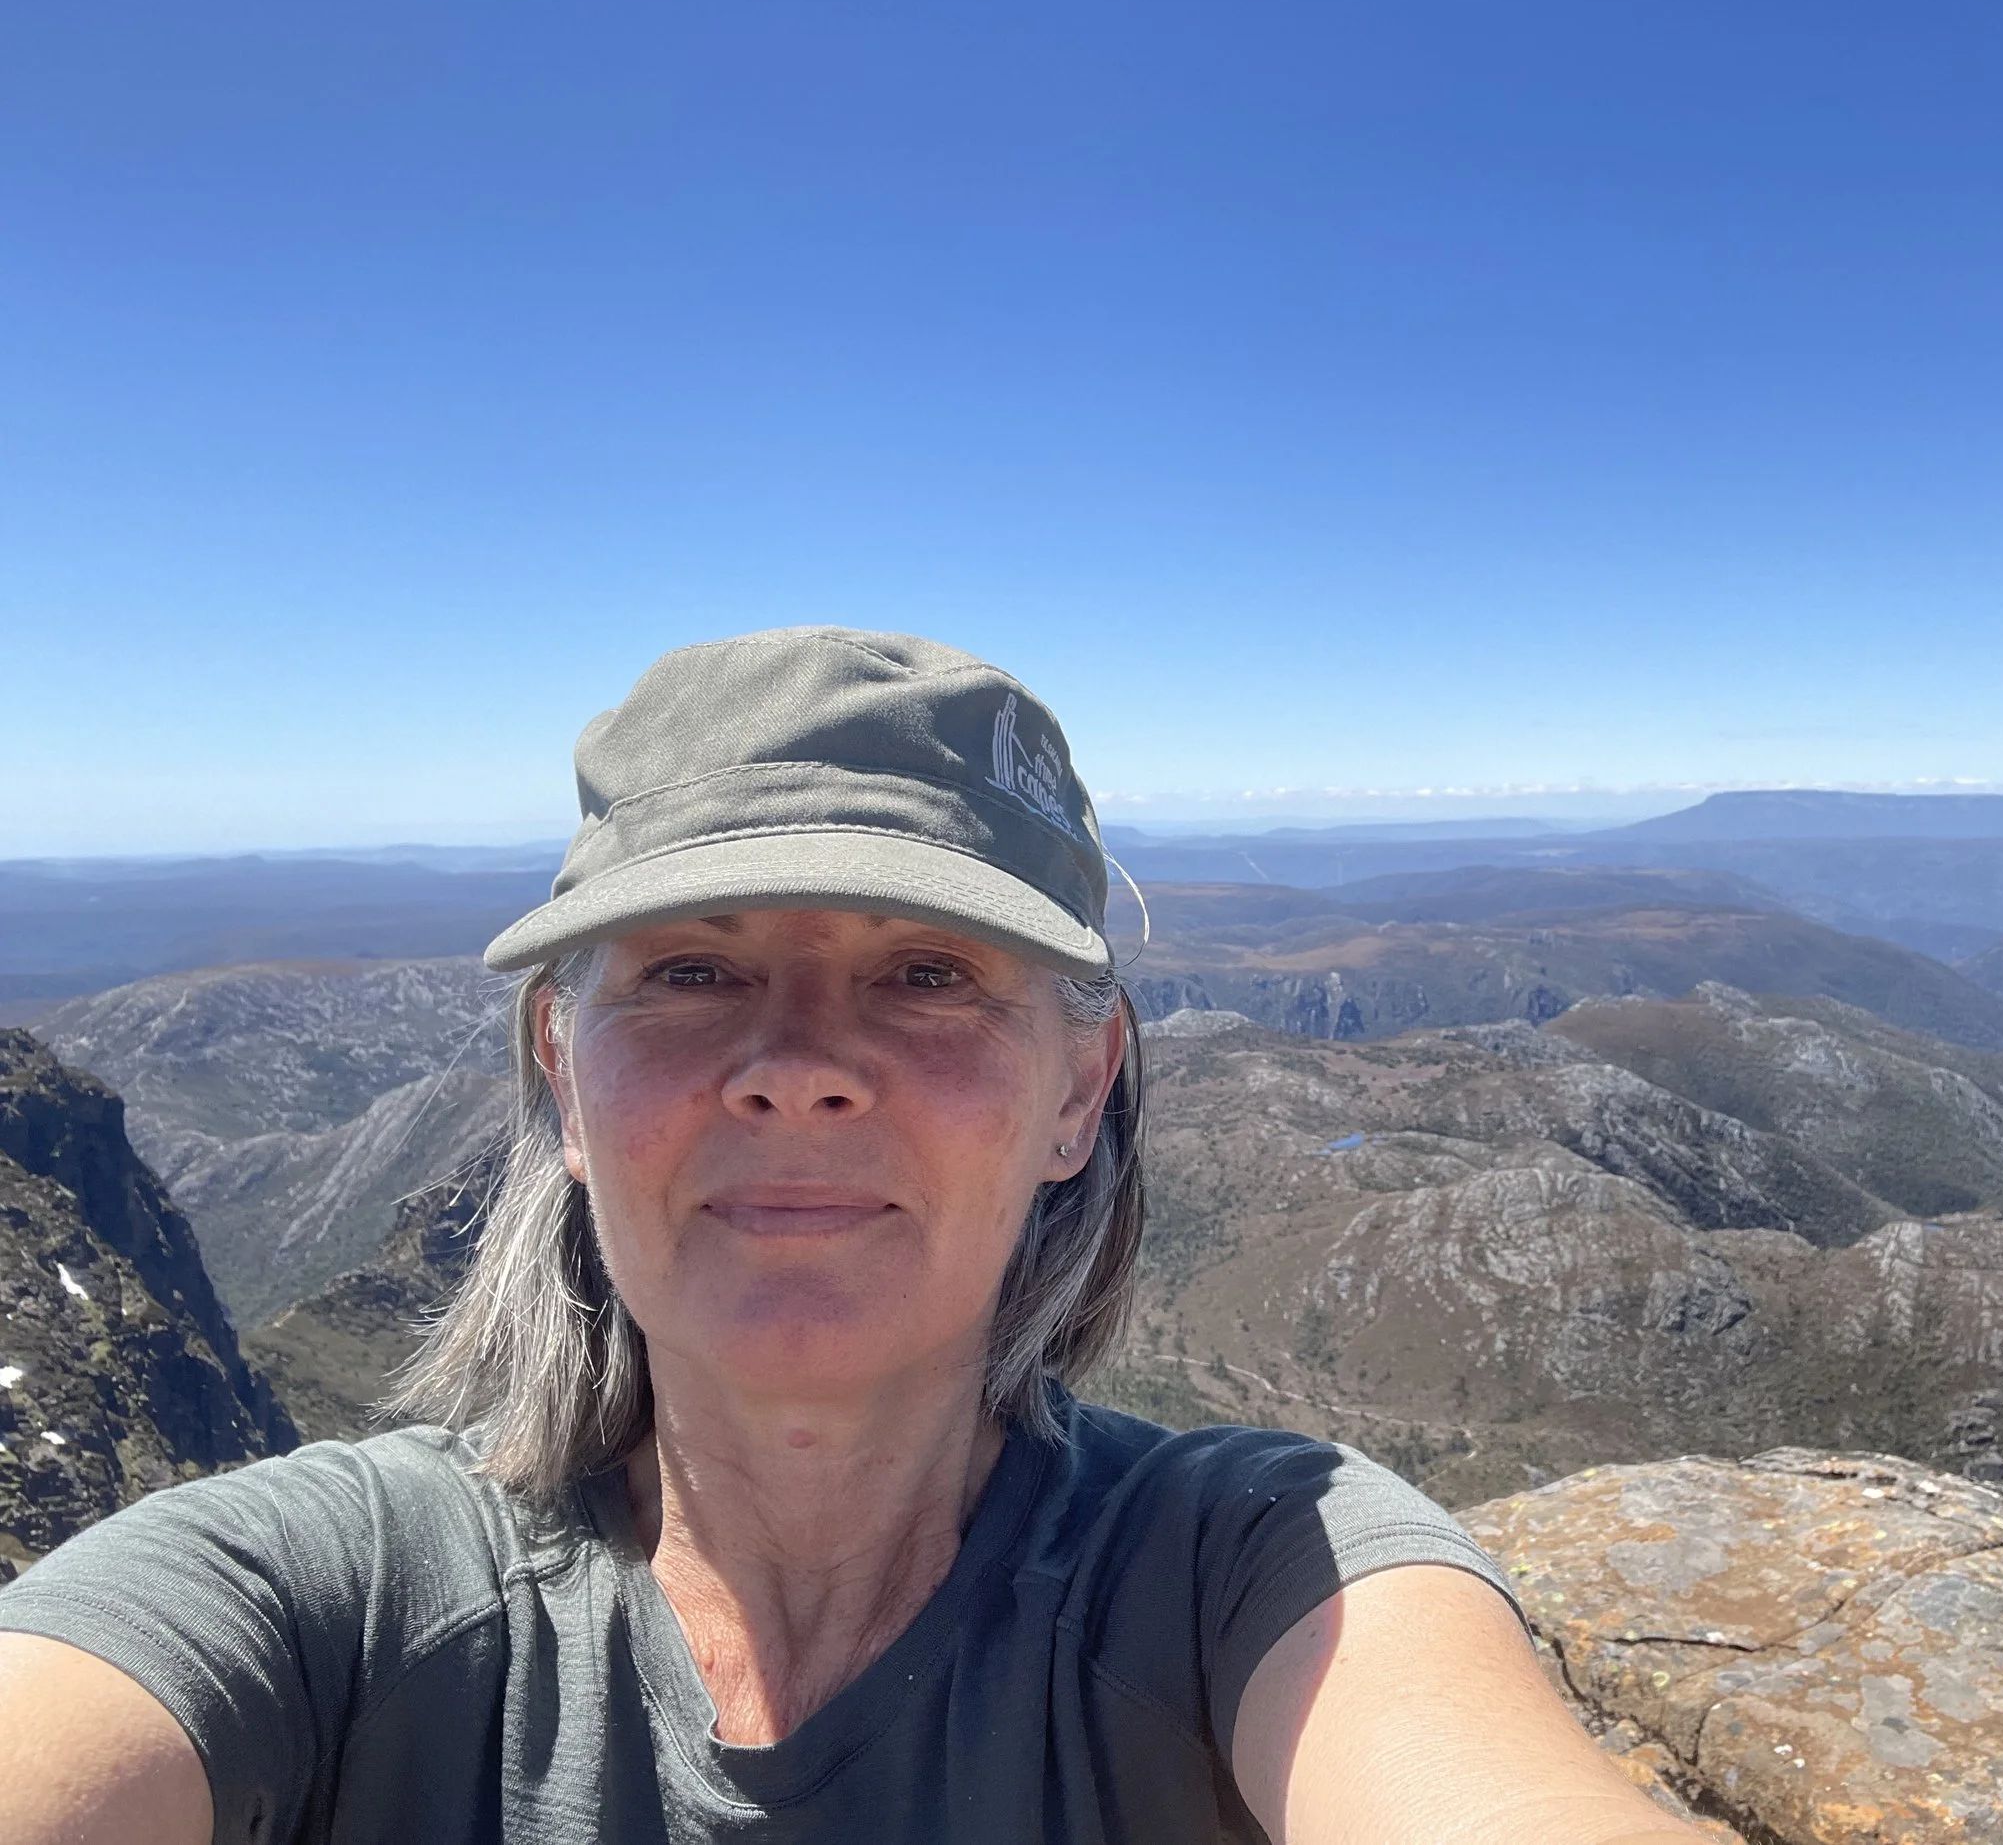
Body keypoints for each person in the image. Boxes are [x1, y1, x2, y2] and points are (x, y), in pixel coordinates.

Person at [0, 628, 1712, 1844]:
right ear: (561, 1077)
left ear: (1077, 1087)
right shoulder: (330, 1601)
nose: (801, 1066)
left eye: (925, 974)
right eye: (690, 968)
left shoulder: (1249, 1570)